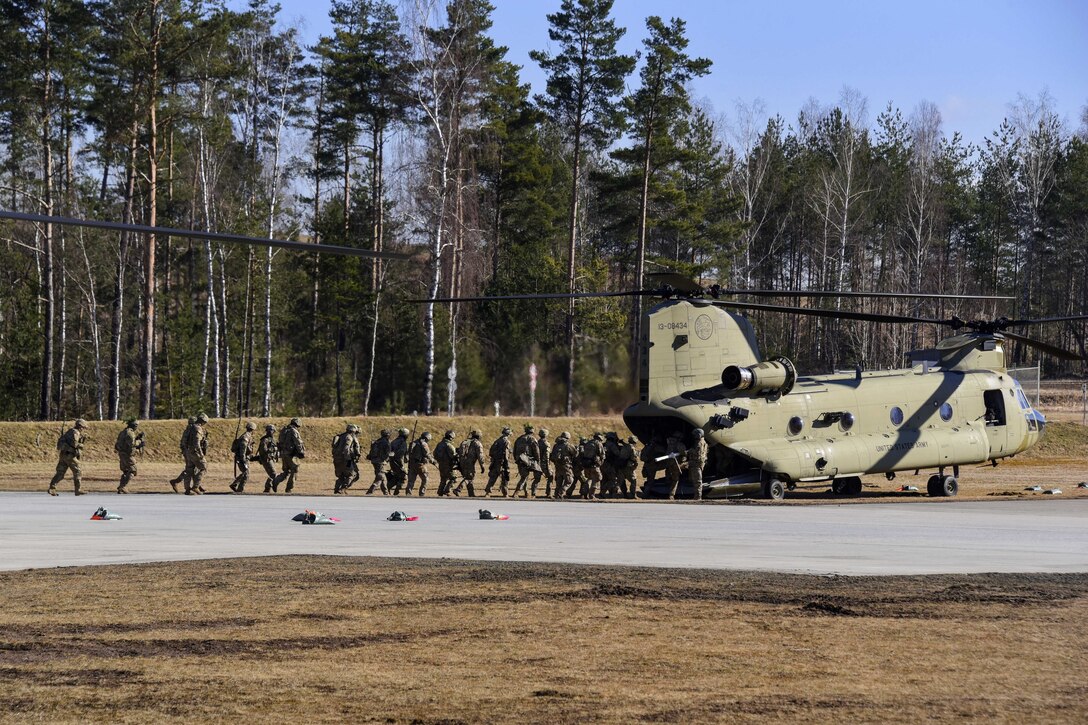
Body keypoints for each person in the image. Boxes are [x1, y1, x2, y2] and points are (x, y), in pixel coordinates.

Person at [49, 418, 88, 496]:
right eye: (83, 427)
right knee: (78, 471)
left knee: (60, 473)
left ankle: (52, 488)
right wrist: (81, 445)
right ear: (80, 426)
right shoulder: (75, 432)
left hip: (63, 455)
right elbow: (75, 444)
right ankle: (78, 490)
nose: (83, 429)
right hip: (70, 456)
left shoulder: (70, 431)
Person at [272, 417, 305, 493]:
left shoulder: (284, 430)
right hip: (291, 454)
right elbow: (298, 442)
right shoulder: (294, 431)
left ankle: (276, 481)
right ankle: (289, 488)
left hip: (283, 453)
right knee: (295, 470)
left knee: (286, 471)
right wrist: (301, 452)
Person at [181, 413, 210, 495]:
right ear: (203, 421)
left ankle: (187, 489)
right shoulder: (198, 428)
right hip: (195, 452)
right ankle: (195, 486)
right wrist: (201, 454)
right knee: (204, 467)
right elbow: (197, 442)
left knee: (189, 470)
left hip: (188, 451)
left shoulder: (191, 427)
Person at [114, 417, 145, 494]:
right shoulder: (130, 433)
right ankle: (123, 487)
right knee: (133, 470)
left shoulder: (123, 432)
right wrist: (140, 442)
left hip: (122, 453)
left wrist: (137, 438)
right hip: (128, 455)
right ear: (133, 426)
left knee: (126, 471)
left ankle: (121, 487)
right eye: (136, 426)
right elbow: (132, 444)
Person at [512, 424, 542, 498]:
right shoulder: (532, 439)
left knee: (524, 476)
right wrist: (538, 461)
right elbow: (536, 451)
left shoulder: (519, 439)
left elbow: (514, 450)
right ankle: (517, 492)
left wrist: (516, 459)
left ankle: (526, 492)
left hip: (520, 460)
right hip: (529, 461)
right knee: (525, 477)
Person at [454, 429, 486, 497]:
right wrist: (482, 466)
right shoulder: (477, 443)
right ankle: (458, 489)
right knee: (469, 477)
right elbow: (480, 456)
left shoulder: (465, 441)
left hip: (462, 462)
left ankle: (471, 494)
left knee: (468, 477)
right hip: (470, 463)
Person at [168, 416, 196, 493]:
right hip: (188, 451)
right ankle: (177, 482)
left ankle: (197, 485)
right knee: (190, 469)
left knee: (193, 468)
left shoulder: (188, 430)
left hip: (187, 451)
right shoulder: (190, 430)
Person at [332, 423, 360, 495]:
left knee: (341, 475)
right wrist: (349, 459)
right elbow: (346, 448)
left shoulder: (340, 436)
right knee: (353, 474)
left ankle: (337, 489)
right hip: (346, 459)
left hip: (337, 459)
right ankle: (342, 489)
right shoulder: (349, 437)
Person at [484, 427, 512, 497]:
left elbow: (491, 452)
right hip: (502, 463)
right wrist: (506, 465)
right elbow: (506, 454)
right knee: (505, 479)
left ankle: (487, 493)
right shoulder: (507, 442)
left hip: (495, 462)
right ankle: (505, 494)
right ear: (508, 434)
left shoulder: (497, 441)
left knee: (492, 478)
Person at [407, 431, 437, 496]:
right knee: (425, 479)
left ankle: (408, 494)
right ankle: (422, 494)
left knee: (411, 481)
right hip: (420, 465)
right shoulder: (423, 444)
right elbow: (427, 454)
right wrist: (433, 461)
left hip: (412, 464)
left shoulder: (413, 443)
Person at [229, 422, 257, 493]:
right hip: (241, 458)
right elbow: (243, 450)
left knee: (245, 473)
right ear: (252, 429)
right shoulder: (245, 437)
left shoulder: (248, 436)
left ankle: (235, 485)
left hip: (244, 458)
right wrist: (243, 460)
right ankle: (239, 489)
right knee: (246, 473)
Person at [550, 431, 577, 499]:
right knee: (569, 480)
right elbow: (575, 454)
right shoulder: (568, 445)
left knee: (559, 481)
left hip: (557, 465)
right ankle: (560, 493)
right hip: (566, 466)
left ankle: (556, 494)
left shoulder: (556, 445)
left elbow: (552, 455)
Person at [579, 433, 605, 499]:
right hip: (594, 465)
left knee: (589, 479)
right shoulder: (598, 443)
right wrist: (600, 462)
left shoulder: (588, 443)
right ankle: (592, 495)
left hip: (586, 464)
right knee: (597, 478)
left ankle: (585, 492)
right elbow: (602, 454)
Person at [366, 429, 392, 495]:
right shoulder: (386, 442)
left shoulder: (377, 441)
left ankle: (386, 492)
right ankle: (370, 491)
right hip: (381, 461)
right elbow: (387, 453)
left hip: (374, 461)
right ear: (388, 435)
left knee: (382, 477)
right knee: (380, 477)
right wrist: (388, 458)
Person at [434, 430, 459, 497]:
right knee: (454, 478)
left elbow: (435, 454)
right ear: (451, 437)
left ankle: (440, 492)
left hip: (441, 465)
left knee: (443, 479)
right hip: (449, 465)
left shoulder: (439, 444)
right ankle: (447, 491)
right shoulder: (449, 445)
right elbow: (453, 456)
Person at [665, 431, 687, 499]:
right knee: (675, 480)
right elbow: (684, 454)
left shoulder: (669, 442)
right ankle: (671, 494)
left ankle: (665, 491)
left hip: (668, 463)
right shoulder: (680, 445)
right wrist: (684, 459)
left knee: (668, 477)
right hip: (675, 464)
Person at [686, 429, 708, 501]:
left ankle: (698, 496)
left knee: (697, 480)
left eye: (695, 434)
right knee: (696, 480)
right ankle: (697, 496)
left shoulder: (699, 443)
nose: (694, 436)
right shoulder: (704, 442)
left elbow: (698, 455)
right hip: (699, 463)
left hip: (696, 463)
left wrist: (689, 451)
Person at [257, 424, 279, 493]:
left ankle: (268, 488)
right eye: (269, 430)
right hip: (267, 459)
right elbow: (263, 450)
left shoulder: (272, 439)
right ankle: (267, 488)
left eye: (272, 430)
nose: (271, 432)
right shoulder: (265, 440)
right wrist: (273, 449)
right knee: (273, 474)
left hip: (271, 459)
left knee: (273, 474)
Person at [388, 428, 410, 495]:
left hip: (392, 461)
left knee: (397, 476)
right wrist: (402, 465)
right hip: (398, 462)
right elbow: (400, 455)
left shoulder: (394, 441)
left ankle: (388, 487)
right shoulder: (403, 442)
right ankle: (396, 492)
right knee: (403, 477)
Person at [601, 431, 622, 497]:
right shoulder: (612, 445)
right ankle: (606, 492)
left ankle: (605, 493)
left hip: (603, 464)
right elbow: (617, 454)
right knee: (613, 480)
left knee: (604, 479)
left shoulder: (603, 444)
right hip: (609, 465)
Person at [538, 429, 553, 498]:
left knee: (536, 479)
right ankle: (548, 493)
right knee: (550, 477)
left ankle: (533, 493)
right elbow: (547, 456)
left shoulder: (537, 442)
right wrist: (548, 466)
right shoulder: (546, 444)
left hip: (537, 463)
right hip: (544, 463)